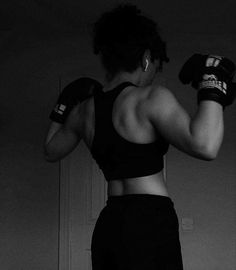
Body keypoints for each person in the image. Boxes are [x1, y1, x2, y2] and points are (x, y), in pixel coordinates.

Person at [44, 4, 236, 270]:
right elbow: (205, 145)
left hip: (109, 223)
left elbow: (51, 151)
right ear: (146, 58)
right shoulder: (151, 97)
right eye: (155, 66)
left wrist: (63, 106)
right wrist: (212, 82)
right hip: (149, 222)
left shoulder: (83, 111)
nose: (153, 73)